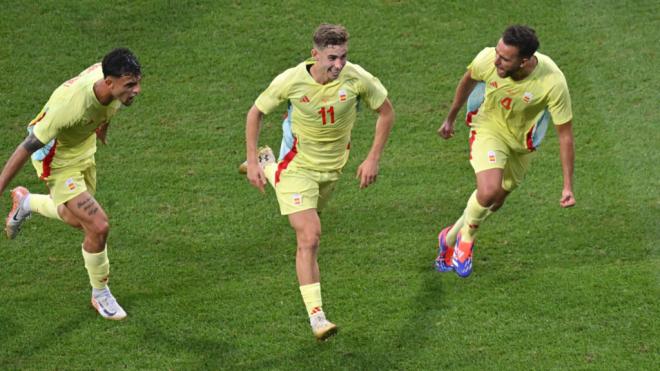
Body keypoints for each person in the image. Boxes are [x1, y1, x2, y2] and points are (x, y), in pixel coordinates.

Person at [244, 24, 395, 340]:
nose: (338, 65)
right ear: (314, 54)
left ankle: (265, 163)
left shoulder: (356, 78)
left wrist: (373, 158)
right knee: (309, 236)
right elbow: (256, 113)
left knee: (311, 221)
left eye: (342, 57)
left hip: (331, 171)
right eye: (331, 58)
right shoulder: (292, 80)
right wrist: (248, 150)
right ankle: (317, 317)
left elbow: (386, 112)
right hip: (298, 166)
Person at [1, 48, 142, 320]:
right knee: (98, 226)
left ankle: (27, 202)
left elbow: (105, 107)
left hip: (83, 147)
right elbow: (26, 147)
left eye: (137, 82)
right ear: (109, 82)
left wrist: (101, 128)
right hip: (57, 159)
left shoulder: (109, 84)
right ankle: (100, 294)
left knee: (75, 218)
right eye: (130, 85)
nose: (136, 90)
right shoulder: (71, 106)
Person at [435, 25, 575, 277]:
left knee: (495, 201)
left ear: (524, 61)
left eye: (504, 58)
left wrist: (567, 186)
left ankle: (449, 238)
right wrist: (450, 118)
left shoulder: (552, 81)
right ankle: (466, 240)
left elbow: (565, 136)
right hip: (489, 127)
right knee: (487, 191)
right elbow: (468, 79)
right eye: (497, 52)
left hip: (522, 144)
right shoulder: (488, 59)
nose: (496, 60)